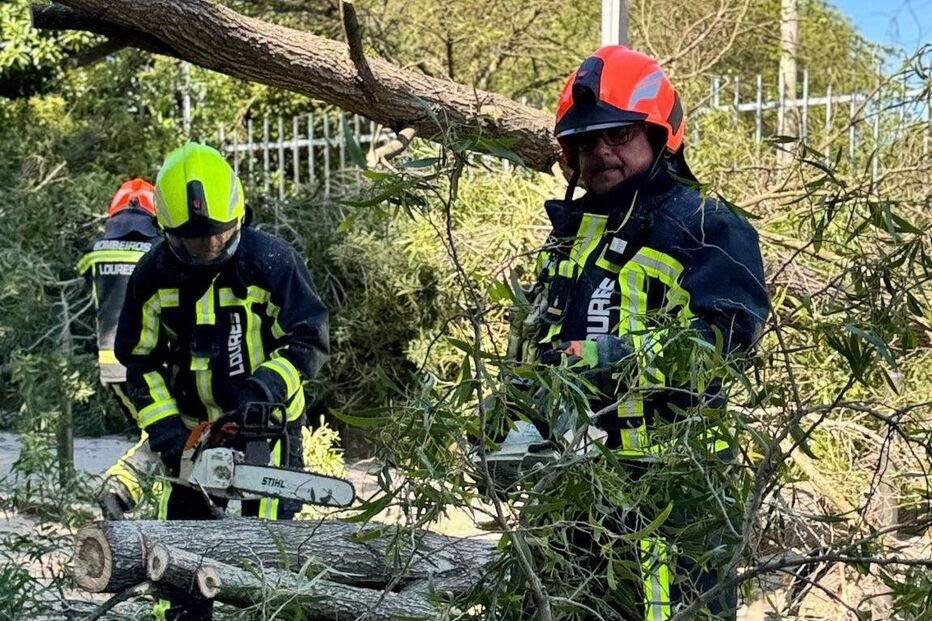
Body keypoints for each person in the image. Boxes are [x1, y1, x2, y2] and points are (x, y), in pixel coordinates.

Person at [507, 46, 770, 620]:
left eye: (618, 134)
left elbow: (723, 345)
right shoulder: (572, 234)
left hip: (671, 493)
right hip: (573, 490)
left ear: (659, 134)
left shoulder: (706, 226)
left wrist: (606, 358)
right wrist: (508, 410)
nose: (599, 151)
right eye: (584, 141)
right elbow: (540, 347)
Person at [114, 142, 329, 620]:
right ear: (167, 230)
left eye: (216, 235)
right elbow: (140, 361)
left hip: (266, 429)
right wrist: (167, 431)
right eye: (193, 240)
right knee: (184, 552)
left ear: (238, 215)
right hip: (195, 429)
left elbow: (307, 340)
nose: (208, 247)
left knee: (268, 551)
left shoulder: (272, 263)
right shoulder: (154, 275)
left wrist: (266, 388)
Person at [78, 178, 162, 520]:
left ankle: (149, 499)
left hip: (110, 362)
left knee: (156, 432)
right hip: (147, 361)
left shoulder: (96, 252)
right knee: (165, 432)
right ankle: (120, 486)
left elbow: (89, 282)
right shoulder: (158, 250)